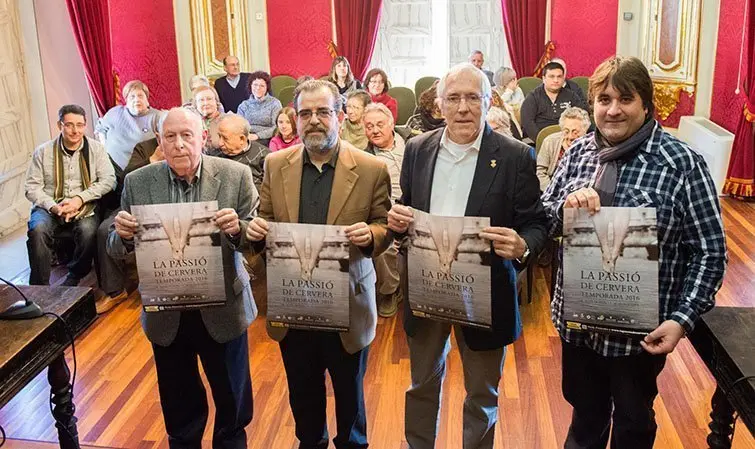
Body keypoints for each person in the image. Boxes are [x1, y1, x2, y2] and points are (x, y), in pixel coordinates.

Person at [541, 55, 727, 449]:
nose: (612, 110)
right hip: (578, 325)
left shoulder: (682, 164)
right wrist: (565, 207)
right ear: (592, 103)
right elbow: (544, 220)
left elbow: (710, 253)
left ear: (646, 103)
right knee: (585, 420)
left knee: (633, 423)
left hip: (640, 336)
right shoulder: (577, 154)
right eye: (603, 99)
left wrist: (682, 319)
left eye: (625, 99)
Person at [387, 63, 547, 449]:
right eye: (453, 98)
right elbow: (409, 209)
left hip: (486, 295)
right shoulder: (417, 150)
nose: (462, 108)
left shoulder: (515, 157)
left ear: (488, 101)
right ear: (438, 104)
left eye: (473, 97)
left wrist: (522, 245)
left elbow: (537, 225)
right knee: (421, 384)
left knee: (482, 395)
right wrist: (397, 219)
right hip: (427, 289)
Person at [244, 79, 392, 449]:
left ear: (339, 116)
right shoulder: (276, 164)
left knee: (350, 401)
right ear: (294, 118)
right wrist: (256, 230)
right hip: (294, 305)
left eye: (323, 112)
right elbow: (262, 220)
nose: (313, 121)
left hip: (348, 304)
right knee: (304, 400)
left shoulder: (371, 168)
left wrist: (372, 235)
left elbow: (387, 225)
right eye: (305, 113)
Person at [108, 107, 259, 449]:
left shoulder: (236, 175)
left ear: (203, 138)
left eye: (187, 136)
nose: (179, 145)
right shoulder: (138, 182)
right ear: (159, 142)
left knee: (232, 402)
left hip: (224, 308)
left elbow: (256, 237)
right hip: (167, 312)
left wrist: (238, 229)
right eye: (170, 137)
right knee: (179, 408)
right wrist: (124, 235)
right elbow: (116, 246)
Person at [25, 104, 116, 287]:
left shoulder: (96, 150)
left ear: (85, 126)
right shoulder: (43, 152)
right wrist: (53, 206)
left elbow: (109, 180)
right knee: (37, 231)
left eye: (80, 125)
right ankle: (39, 287)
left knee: (89, 231)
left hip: (84, 204)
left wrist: (79, 199)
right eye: (69, 125)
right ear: (60, 125)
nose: (75, 131)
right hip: (49, 206)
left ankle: (74, 276)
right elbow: (32, 187)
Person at [95, 118, 164, 314]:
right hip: (137, 203)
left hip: (166, 205)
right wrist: (152, 159)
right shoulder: (144, 148)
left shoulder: (186, 146)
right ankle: (115, 290)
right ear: (157, 133)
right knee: (105, 230)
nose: (175, 139)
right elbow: (126, 178)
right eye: (166, 133)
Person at [363, 102, 405, 317]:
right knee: (383, 244)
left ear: (392, 123)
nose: (375, 130)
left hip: (419, 207)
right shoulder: (365, 158)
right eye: (369, 126)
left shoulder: (413, 144)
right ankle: (390, 291)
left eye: (379, 124)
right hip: (388, 212)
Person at [96, 80, 162, 174]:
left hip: (141, 170)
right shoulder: (115, 113)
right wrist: (104, 149)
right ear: (126, 101)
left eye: (140, 96)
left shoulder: (156, 116)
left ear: (147, 99)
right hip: (111, 170)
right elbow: (100, 129)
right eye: (132, 97)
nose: (137, 100)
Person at [520, 61, 589, 140]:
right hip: (541, 140)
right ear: (544, 78)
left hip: (568, 138)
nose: (556, 80)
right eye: (551, 76)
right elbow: (528, 123)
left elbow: (584, 114)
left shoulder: (571, 95)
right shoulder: (533, 97)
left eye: (559, 76)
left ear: (563, 78)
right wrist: (541, 141)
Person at [536, 106, 590, 191]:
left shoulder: (591, 146)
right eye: (566, 131)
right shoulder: (550, 142)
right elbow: (540, 172)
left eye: (575, 132)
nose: (570, 136)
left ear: (585, 131)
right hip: (550, 190)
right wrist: (552, 191)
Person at [213, 114, 270, 189]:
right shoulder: (215, 156)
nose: (220, 143)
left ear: (242, 139)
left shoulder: (265, 156)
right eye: (219, 136)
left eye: (225, 138)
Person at [237, 71, 283, 147]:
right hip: (247, 138)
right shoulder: (243, 105)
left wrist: (258, 136)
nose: (258, 88)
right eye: (255, 85)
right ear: (250, 86)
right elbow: (239, 126)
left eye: (262, 86)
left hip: (268, 139)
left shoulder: (275, 103)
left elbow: (276, 127)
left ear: (267, 88)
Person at [191, 85, 225, 153]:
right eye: (201, 100)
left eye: (209, 99)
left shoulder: (228, 120)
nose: (206, 103)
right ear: (196, 104)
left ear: (216, 101)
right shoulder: (192, 123)